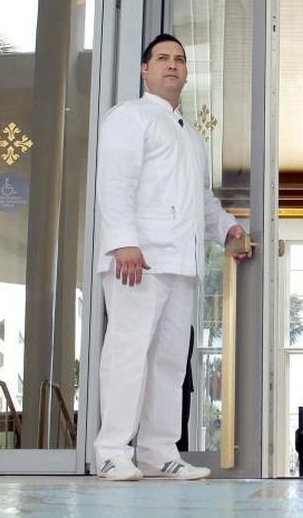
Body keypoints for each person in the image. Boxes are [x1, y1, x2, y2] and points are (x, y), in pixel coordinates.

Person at [93, 33, 249, 481]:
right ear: (145, 69)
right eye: (162, 58)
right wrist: (123, 241)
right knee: (127, 354)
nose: (172, 65)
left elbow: (202, 200)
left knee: (170, 361)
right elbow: (115, 181)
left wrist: (228, 228)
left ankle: (158, 451)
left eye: (179, 59)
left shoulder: (192, 137)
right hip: (138, 261)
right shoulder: (130, 116)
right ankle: (111, 451)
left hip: (182, 264)